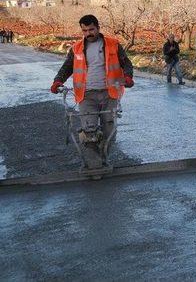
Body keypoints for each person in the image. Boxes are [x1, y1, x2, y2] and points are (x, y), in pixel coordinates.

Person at [50, 14, 134, 170]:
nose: (88, 33)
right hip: (86, 95)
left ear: (98, 28)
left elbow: (126, 63)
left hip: (110, 93)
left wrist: (128, 77)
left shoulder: (113, 44)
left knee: (110, 131)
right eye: (85, 30)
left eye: (91, 29)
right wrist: (58, 80)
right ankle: (93, 163)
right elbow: (67, 67)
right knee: (89, 131)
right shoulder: (76, 49)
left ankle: (103, 159)